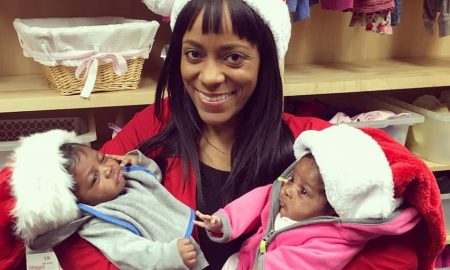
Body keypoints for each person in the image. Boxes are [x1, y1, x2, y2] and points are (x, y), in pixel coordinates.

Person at [15, 0, 442, 269]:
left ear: (266, 64)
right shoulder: (155, 127)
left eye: (234, 57)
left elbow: (399, 207)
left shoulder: (308, 148)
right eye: (194, 54)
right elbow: (68, 203)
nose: (211, 76)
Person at [194, 124, 422, 269]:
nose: (288, 190)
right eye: (292, 179)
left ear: (332, 208)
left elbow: (302, 263)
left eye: (304, 191)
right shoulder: (283, 195)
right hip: (245, 260)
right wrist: (224, 221)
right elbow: (256, 201)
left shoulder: (334, 241)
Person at [0, 129, 208, 270]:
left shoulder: (124, 177)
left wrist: (137, 160)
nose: (107, 168)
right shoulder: (99, 224)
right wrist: (168, 256)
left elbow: (152, 178)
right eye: (94, 178)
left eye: (101, 158)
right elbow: (129, 253)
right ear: (78, 204)